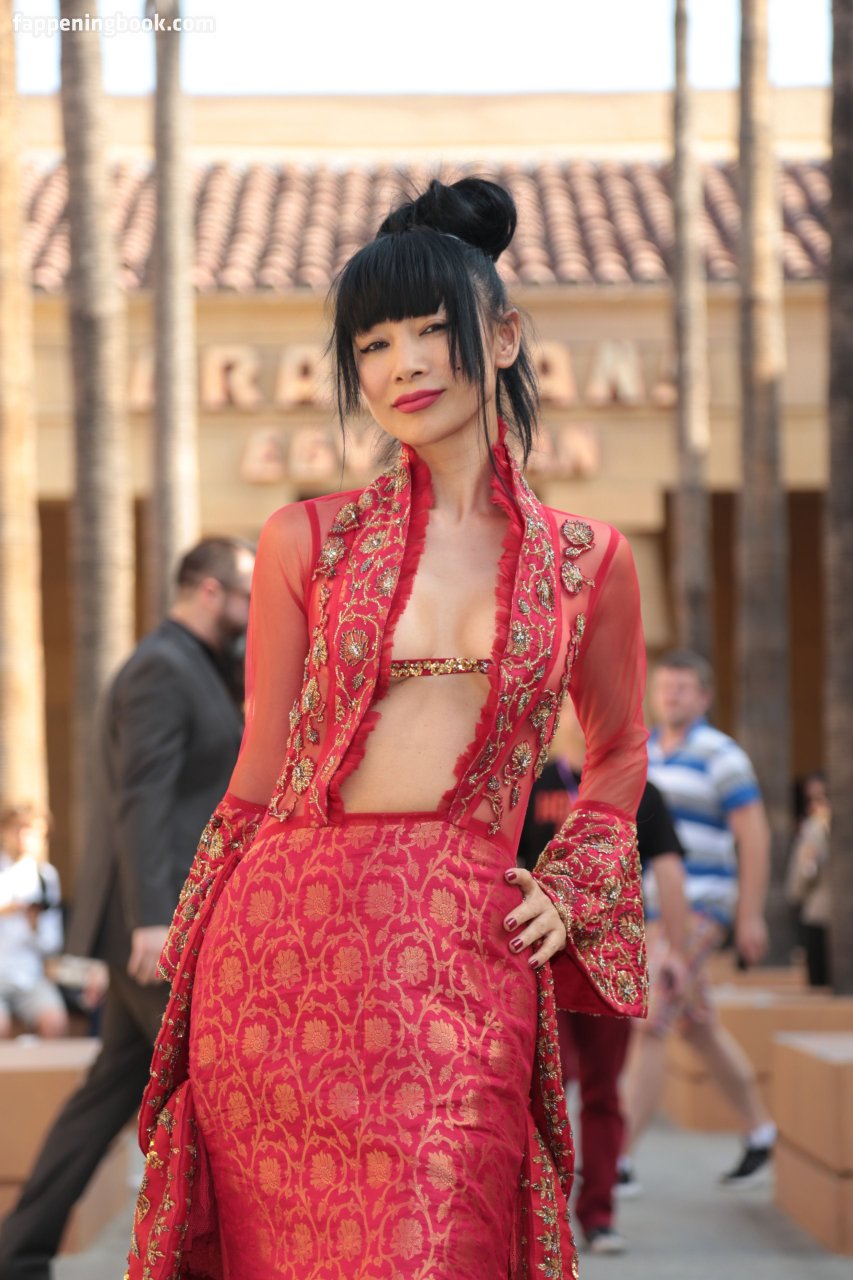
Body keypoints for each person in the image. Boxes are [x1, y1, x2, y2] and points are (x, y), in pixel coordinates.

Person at [126, 177, 649, 1280]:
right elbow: (260, 768)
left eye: (428, 330)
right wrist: (190, 929)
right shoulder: (302, 538)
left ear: (501, 336)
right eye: (371, 345)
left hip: (463, 956)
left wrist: (572, 885)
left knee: (445, 1245)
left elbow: (617, 751)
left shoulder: (589, 560)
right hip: (280, 953)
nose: (402, 364)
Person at [0, 538, 254, 1280]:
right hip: (155, 928)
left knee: (107, 1092)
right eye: (245, 594)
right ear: (209, 590)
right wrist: (153, 917)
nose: (254, 609)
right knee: (223, 1084)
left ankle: (18, 1252)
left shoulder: (202, 666)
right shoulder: (161, 669)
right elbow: (142, 798)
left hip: (159, 922)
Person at [517, 705, 688, 1255]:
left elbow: (669, 870)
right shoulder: (533, 783)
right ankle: (541, 1215)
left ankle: (599, 1214)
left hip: (610, 963)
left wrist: (675, 950)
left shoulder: (641, 791)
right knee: (542, 1088)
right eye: (575, 705)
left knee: (602, 1091)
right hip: (541, 960)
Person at [619, 648, 776, 1194]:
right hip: (651, 913)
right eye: (665, 686)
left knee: (650, 1018)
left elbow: (754, 835)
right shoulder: (644, 753)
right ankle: (761, 1133)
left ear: (704, 697)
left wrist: (750, 915)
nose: (671, 695)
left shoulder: (721, 755)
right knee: (697, 1025)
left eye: (683, 687)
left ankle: (618, 1161)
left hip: (703, 907)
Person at [0, 805, 68, 1040]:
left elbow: (52, 942)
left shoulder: (46, 878)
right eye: (18, 829)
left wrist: (34, 926)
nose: (23, 838)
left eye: (32, 832)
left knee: (55, 1022)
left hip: (30, 976)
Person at [785, 773, 831, 987]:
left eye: (820, 798)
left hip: (819, 913)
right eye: (810, 799)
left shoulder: (816, 828)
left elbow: (805, 871)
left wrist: (796, 894)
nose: (814, 805)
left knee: (820, 984)